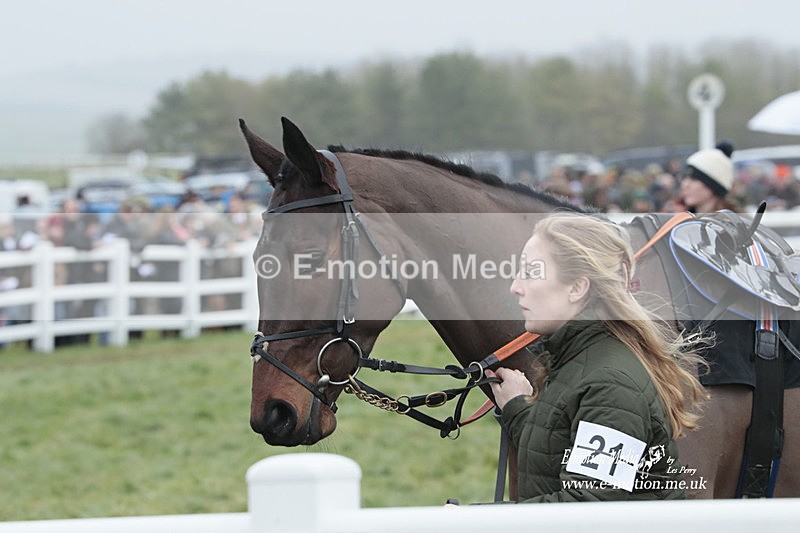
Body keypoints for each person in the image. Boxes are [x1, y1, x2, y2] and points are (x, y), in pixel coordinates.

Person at [486, 213, 707, 502]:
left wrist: (475, 521)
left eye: (531, 273)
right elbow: (562, 449)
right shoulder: (579, 359)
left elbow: (591, 507)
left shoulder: (610, 385)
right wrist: (517, 408)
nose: (515, 286)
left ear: (577, 288)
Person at [679, 141, 739, 214]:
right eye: (684, 177)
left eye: (694, 179)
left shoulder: (739, 224)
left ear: (713, 186)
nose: (685, 185)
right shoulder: (680, 222)